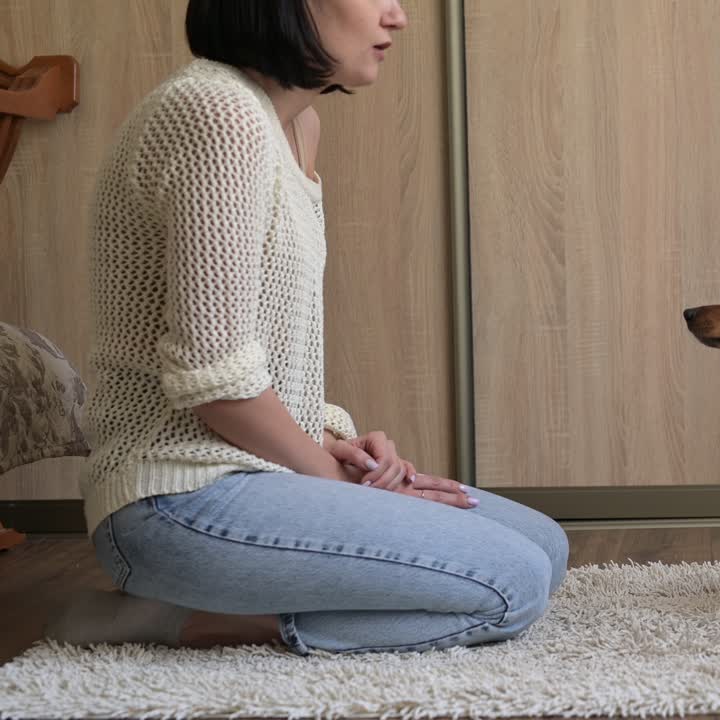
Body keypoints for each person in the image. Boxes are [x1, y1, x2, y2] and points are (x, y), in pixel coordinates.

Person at [45, 0, 568, 655]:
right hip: (173, 499)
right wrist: (330, 477)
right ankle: (176, 618)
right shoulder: (216, 111)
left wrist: (340, 447)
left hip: (251, 473)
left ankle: (234, 586)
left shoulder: (296, 125)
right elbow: (213, 381)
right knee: (512, 585)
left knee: (546, 547)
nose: (397, 17)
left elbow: (257, 354)